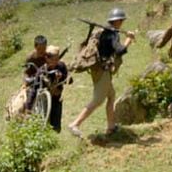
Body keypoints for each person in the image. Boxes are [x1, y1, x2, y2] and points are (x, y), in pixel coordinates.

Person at [68, 8, 135, 138]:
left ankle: (111, 126)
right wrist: (128, 40)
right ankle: (75, 124)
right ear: (118, 21)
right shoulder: (112, 34)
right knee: (98, 100)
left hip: (98, 68)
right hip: (102, 70)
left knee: (111, 95)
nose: (122, 23)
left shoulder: (105, 31)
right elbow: (119, 50)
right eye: (121, 20)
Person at [41, 45, 70, 132]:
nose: (56, 61)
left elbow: (69, 80)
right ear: (47, 58)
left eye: (57, 59)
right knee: (43, 122)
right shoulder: (42, 68)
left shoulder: (61, 66)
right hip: (44, 99)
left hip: (56, 97)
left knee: (56, 127)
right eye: (54, 59)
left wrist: (62, 77)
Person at [22, 35, 49, 113]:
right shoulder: (30, 58)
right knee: (29, 92)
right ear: (35, 47)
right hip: (34, 79)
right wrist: (25, 83)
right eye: (39, 49)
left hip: (45, 77)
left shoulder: (48, 55)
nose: (42, 51)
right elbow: (26, 72)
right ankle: (28, 110)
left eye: (44, 48)